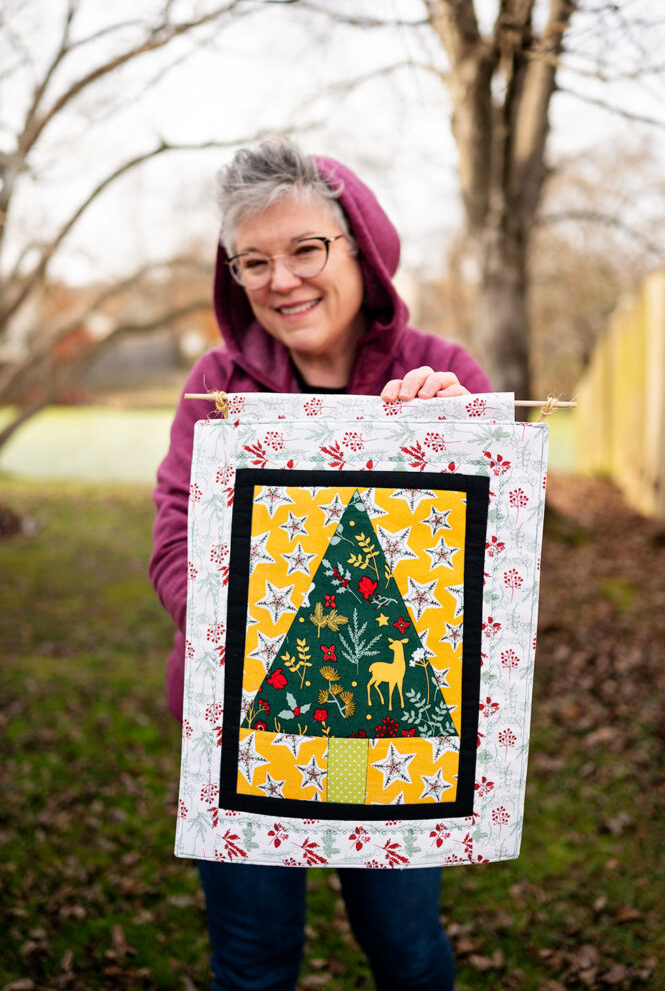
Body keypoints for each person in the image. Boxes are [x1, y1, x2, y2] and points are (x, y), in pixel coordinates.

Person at [149, 138, 492, 991]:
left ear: (360, 252)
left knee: (404, 947)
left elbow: (492, 562)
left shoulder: (443, 376)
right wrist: (249, 637)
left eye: (306, 249)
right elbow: (173, 538)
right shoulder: (219, 385)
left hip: (391, 725)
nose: (281, 280)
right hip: (246, 727)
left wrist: (468, 443)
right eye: (253, 260)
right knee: (254, 959)